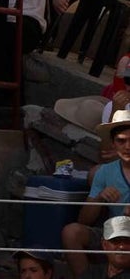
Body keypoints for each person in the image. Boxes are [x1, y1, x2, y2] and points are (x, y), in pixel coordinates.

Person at [64, 115, 130, 279]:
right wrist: (100, 198)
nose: (128, 146)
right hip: (114, 233)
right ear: (114, 144)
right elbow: (84, 221)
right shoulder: (105, 172)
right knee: (71, 232)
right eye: (121, 141)